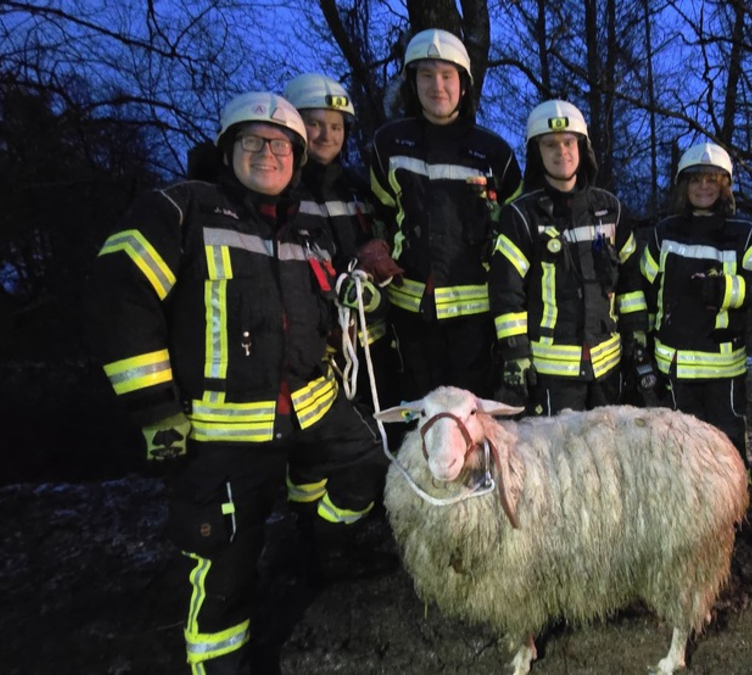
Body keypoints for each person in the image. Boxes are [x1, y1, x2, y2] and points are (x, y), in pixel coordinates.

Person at [85, 92, 388, 674]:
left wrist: (357, 304)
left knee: (371, 469)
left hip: (311, 407)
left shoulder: (305, 231)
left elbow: (322, 313)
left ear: (297, 160)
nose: (267, 154)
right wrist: (155, 408)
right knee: (226, 568)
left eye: (280, 146)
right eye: (253, 141)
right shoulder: (181, 210)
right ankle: (223, 662)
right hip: (221, 431)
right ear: (227, 150)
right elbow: (118, 296)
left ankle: (314, 541)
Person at [368, 28, 522, 402]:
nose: (437, 86)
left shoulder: (495, 152)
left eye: (447, 76)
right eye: (426, 75)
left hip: (476, 316)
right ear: (412, 83)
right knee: (418, 412)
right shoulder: (388, 145)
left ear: (464, 85)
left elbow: (516, 228)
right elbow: (379, 213)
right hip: (410, 313)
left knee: (470, 415)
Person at [488, 100, 646, 415]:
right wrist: (516, 354)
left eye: (569, 142)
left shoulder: (611, 210)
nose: (561, 152)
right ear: (537, 152)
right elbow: (507, 292)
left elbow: (631, 282)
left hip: (607, 370)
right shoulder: (520, 216)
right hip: (552, 376)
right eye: (550, 144)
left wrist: (637, 333)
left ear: (582, 147)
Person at [640, 141, 752, 460]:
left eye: (712, 179)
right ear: (683, 186)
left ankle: (737, 495)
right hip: (674, 367)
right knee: (677, 451)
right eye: (695, 179)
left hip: (723, 371)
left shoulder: (747, 235)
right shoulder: (664, 233)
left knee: (727, 450)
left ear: (725, 186)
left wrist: (723, 290)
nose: (703, 186)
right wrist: (642, 346)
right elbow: (644, 291)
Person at [283, 73, 401, 413]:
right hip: (314, 351)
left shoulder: (358, 188)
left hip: (373, 348)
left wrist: (378, 285)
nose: (327, 135)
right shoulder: (281, 190)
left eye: (336, 127)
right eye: (315, 124)